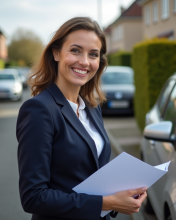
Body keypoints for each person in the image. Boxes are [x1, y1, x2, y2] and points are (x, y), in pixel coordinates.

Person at [16, 17, 147, 220]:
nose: (84, 62)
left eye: (93, 54)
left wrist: (125, 194)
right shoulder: (39, 109)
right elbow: (33, 197)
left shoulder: (92, 108)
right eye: (75, 50)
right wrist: (107, 203)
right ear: (56, 52)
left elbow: (94, 174)